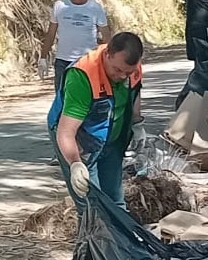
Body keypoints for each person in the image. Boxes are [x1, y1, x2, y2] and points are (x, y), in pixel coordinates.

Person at [49, 33, 144, 216]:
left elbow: (135, 92)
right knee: (91, 202)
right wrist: (75, 163)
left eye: (127, 73)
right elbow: (66, 132)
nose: (122, 76)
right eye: (117, 70)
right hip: (80, 139)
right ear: (107, 54)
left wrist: (137, 123)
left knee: (115, 199)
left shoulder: (132, 67)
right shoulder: (83, 76)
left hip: (112, 136)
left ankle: (121, 234)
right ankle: (93, 234)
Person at [42, 0, 110, 99]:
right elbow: (51, 34)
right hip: (63, 61)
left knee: (86, 98)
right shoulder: (60, 6)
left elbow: (106, 37)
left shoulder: (95, 8)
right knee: (62, 98)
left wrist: (108, 60)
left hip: (87, 61)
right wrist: (43, 57)